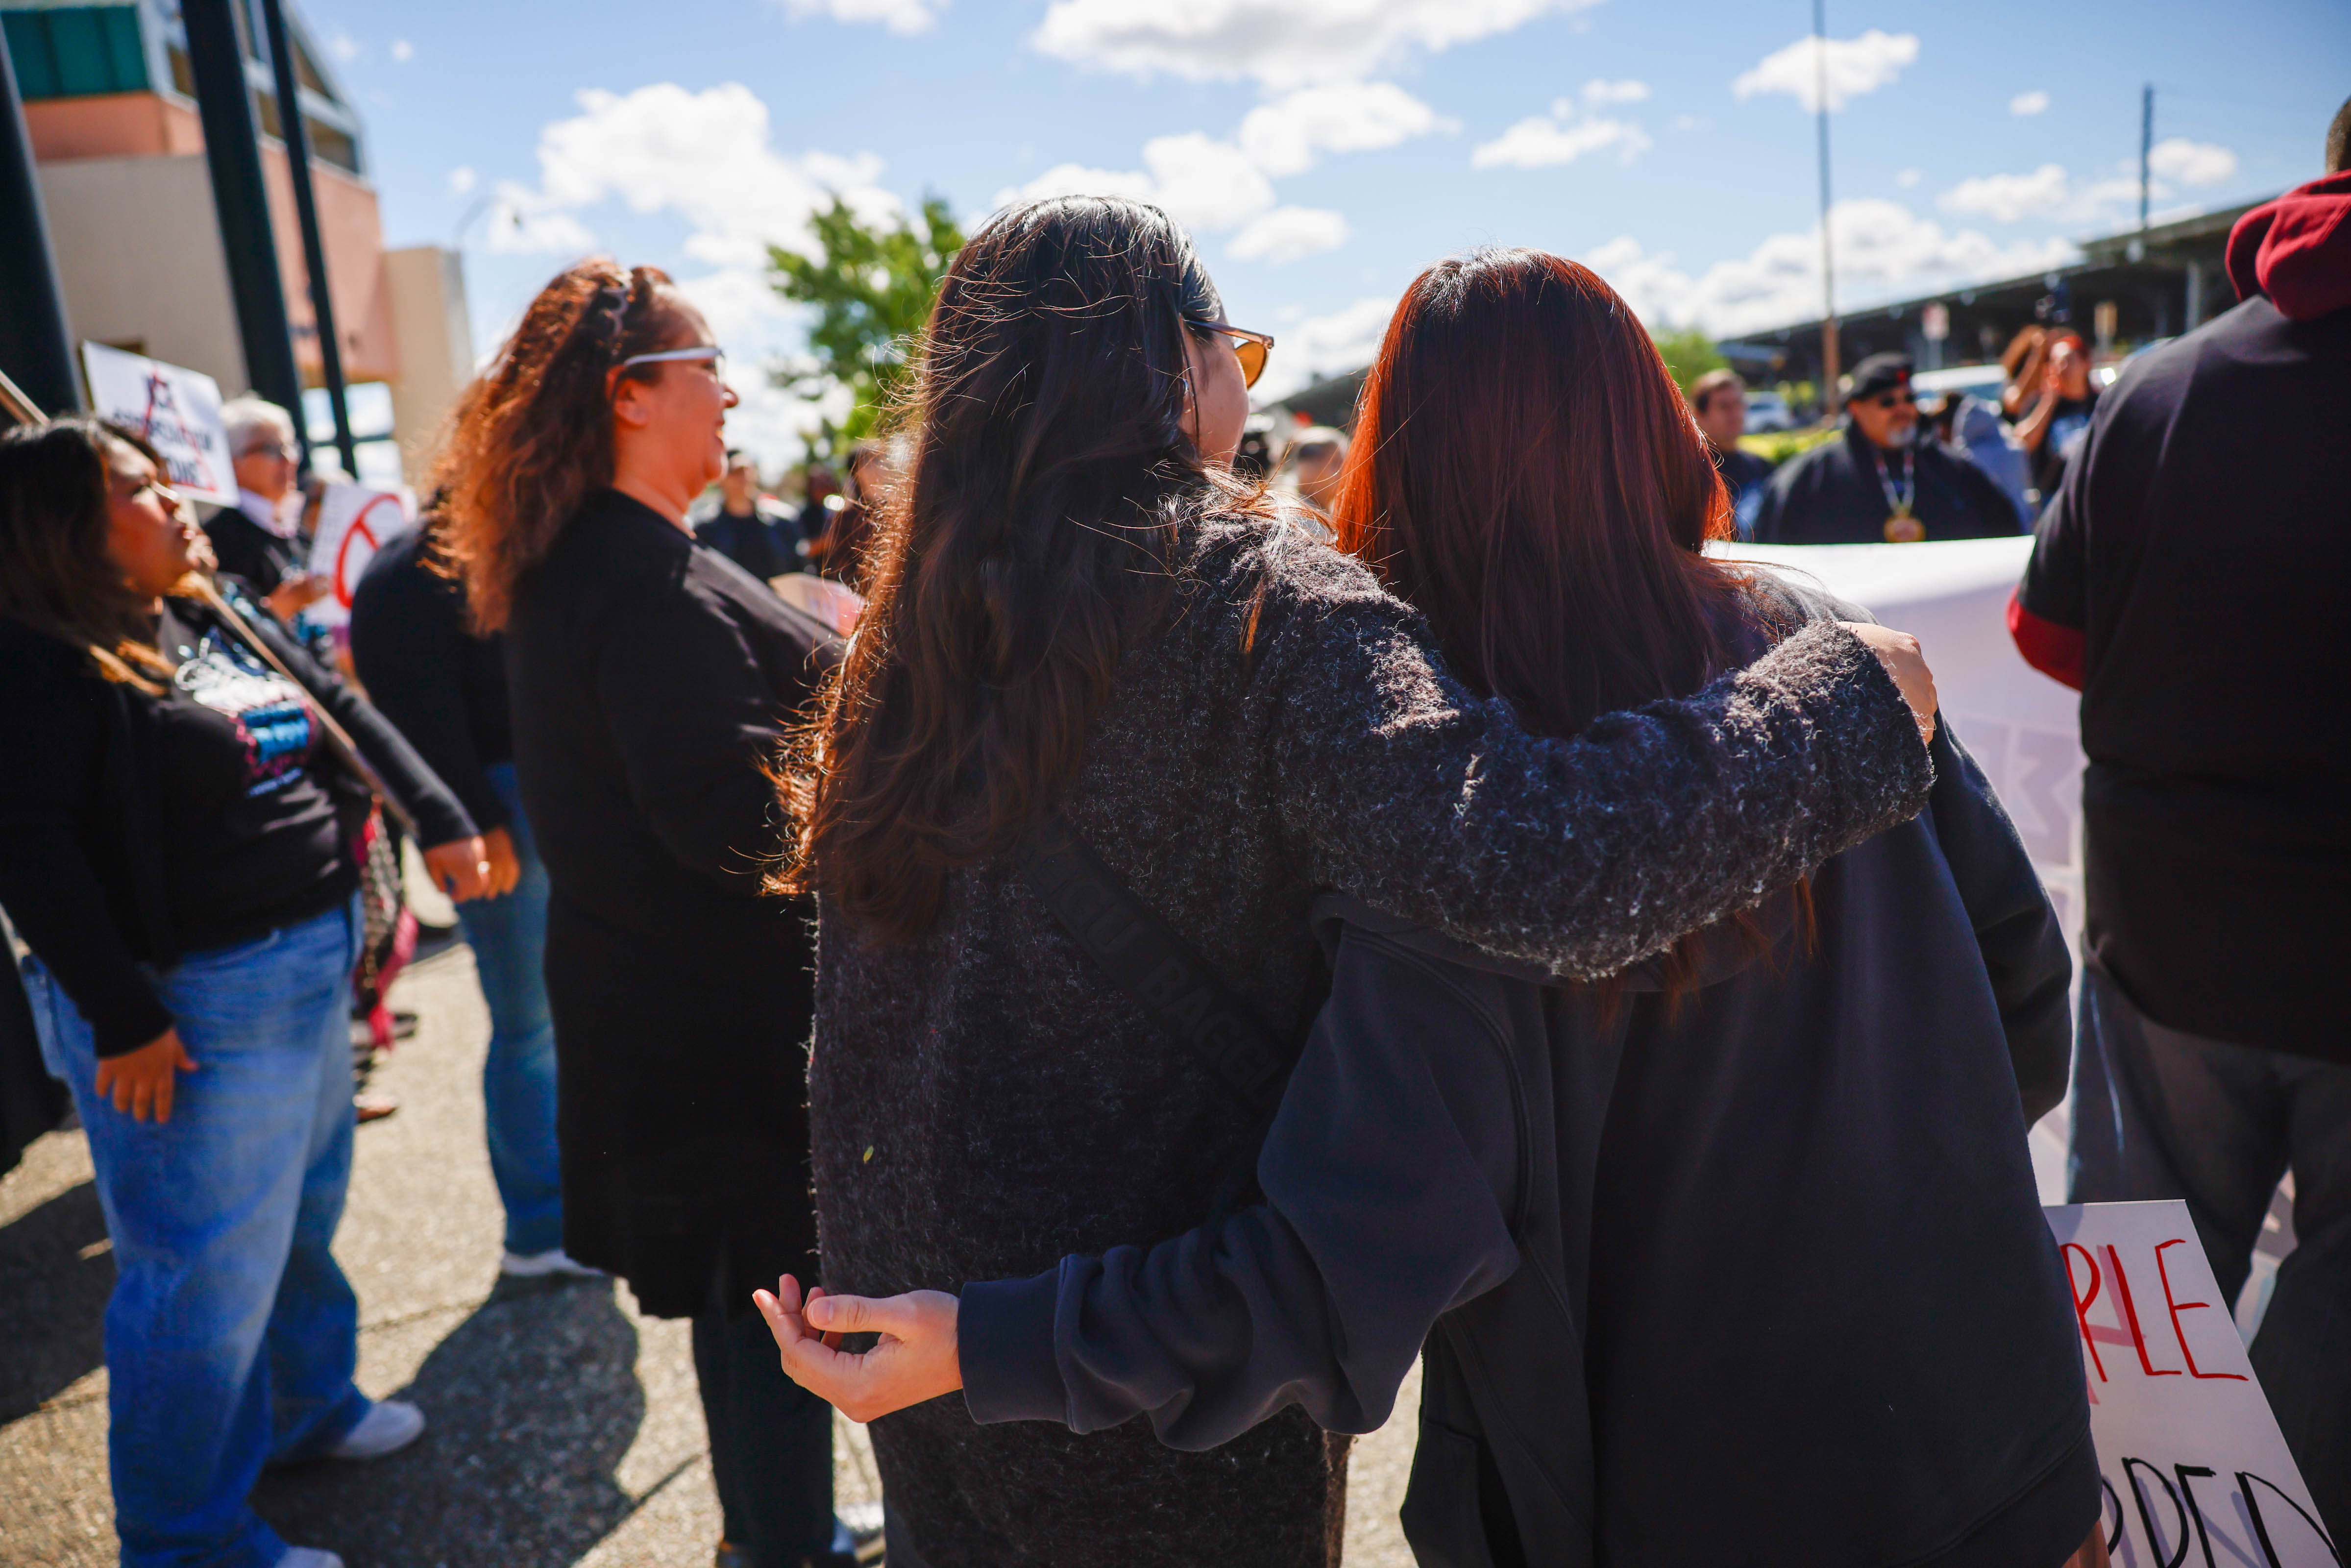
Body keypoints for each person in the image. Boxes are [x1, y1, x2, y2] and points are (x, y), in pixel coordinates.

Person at [760, 246, 2096, 1568]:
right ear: (1654, 427)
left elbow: (1356, 1251)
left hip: (1664, 1481)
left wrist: (984, 1341)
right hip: (1987, 1433)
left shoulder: (1417, 751)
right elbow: (2024, 1004)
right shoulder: (1828, 654)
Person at [0, 418, 490, 1568]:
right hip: (195, 1005)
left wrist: (442, 817)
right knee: (198, 1281)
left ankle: (305, 1409)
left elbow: (336, 707)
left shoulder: (207, 607)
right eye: (137, 484)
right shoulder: (36, 658)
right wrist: (123, 1017)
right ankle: (186, 1541)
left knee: (297, 1220)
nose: (176, 497)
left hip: (308, 967)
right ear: (63, 523)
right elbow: (30, 852)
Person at [433, 259, 855, 1568]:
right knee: (774, 1313)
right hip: (720, 1040)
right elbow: (731, 823)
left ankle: (780, 1535)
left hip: (670, 1023)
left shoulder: (607, 562)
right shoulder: (640, 582)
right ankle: (787, 1545)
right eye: (708, 366)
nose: (730, 392)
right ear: (628, 394)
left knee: (749, 1319)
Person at [2008, 114, 2351, 1538]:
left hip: (2170, 938)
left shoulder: (2162, 391)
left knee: (2143, 1277)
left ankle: (2134, 1522)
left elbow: (2046, 635)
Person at [348, 510, 592, 1279]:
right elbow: (412, 710)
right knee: (530, 1025)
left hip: (534, 802)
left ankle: (567, 1213)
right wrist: (475, 821)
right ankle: (540, 1229)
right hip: (500, 814)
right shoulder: (415, 567)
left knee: (559, 1022)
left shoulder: (514, 542)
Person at [1754, 352, 2022, 543]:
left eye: (1909, 398)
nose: (1902, 409)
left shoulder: (1955, 470)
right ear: (1856, 409)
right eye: (1887, 402)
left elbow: (2005, 532)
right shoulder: (1811, 478)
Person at [206, 395, 330, 623]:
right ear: (233, 461)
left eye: (290, 446)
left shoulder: (297, 530)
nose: (289, 460)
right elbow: (228, 635)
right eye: (271, 449)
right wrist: (284, 606)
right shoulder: (217, 543)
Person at [2012, 328, 2097, 504]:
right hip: (2053, 498)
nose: (2061, 368)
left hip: (2091, 494)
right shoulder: (2039, 403)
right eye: (2055, 362)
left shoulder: (2099, 403)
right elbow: (2022, 443)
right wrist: (2049, 402)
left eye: (2068, 361)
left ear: (2085, 364)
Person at [691, 449, 802, 581]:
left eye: (746, 471)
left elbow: (799, 569)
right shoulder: (706, 529)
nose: (743, 477)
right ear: (721, 478)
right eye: (735, 472)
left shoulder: (783, 522)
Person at [1689, 368, 1773, 538]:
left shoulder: (1762, 467)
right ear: (1699, 415)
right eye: (1724, 406)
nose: (1735, 414)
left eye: (1739, 404)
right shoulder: (1690, 475)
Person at [1282, 425, 1347, 514]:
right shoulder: (1291, 513)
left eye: (1344, 463)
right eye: (1336, 463)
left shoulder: (1333, 511)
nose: (1344, 470)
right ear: (1309, 466)